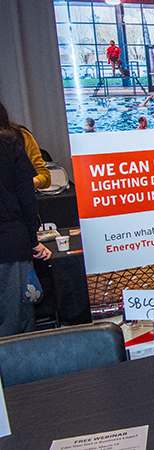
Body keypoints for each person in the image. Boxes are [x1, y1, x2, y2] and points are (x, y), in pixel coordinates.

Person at [0, 102, 51, 337]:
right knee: (16, 323)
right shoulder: (10, 142)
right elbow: (26, 196)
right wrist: (33, 239)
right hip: (11, 244)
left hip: (11, 240)